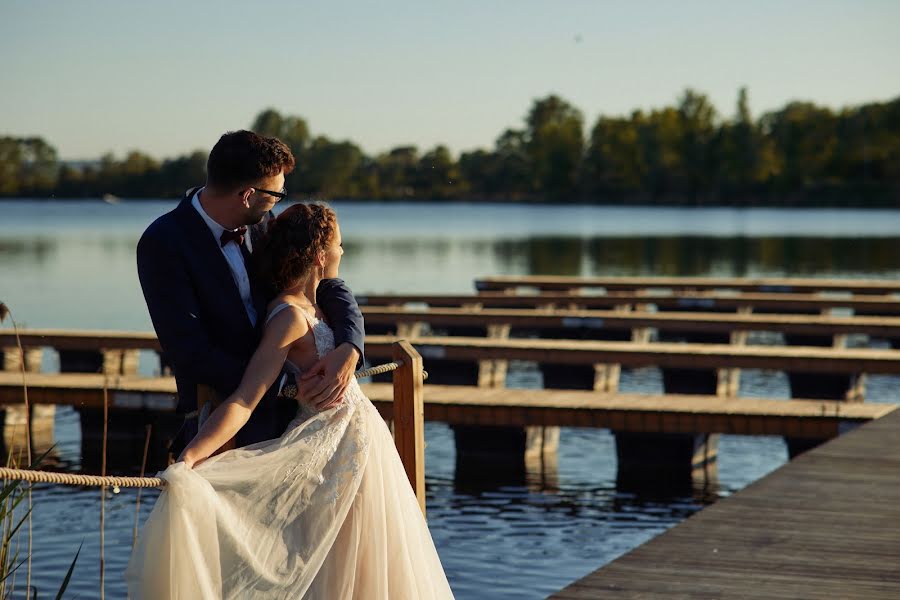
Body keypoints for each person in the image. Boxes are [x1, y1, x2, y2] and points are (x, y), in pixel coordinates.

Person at [127, 203, 454, 599]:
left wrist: (351, 346)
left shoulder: (323, 305)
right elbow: (247, 397)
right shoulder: (288, 317)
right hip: (329, 458)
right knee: (335, 571)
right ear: (320, 255)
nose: (343, 254)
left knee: (373, 567)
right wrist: (191, 458)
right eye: (339, 246)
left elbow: (347, 306)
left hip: (362, 453)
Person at [136, 130, 365, 455]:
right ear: (247, 194)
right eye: (276, 193)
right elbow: (187, 349)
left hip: (298, 421)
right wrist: (285, 385)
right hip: (219, 416)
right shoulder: (163, 242)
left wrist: (350, 346)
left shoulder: (266, 221)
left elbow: (323, 283)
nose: (278, 199)